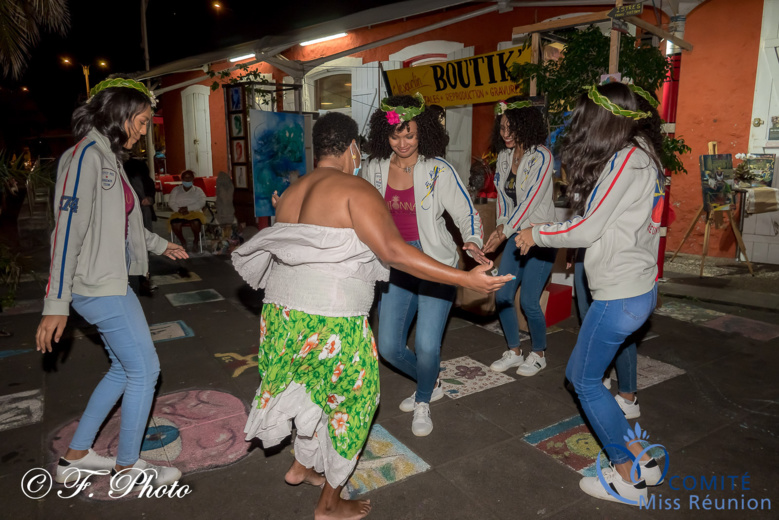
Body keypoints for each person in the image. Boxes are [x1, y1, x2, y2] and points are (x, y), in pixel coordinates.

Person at [232, 112, 510, 520]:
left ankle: (302, 466)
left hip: (281, 317)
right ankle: (329, 503)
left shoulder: (291, 193)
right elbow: (393, 252)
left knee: (311, 390)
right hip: (331, 319)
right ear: (352, 148)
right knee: (355, 403)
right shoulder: (356, 188)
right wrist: (465, 279)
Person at [35, 78, 188, 494]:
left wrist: (160, 245)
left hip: (111, 280)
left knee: (124, 368)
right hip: (98, 285)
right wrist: (55, 302)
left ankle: (77, 456)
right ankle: (127, 467)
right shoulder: (85, 156)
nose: (144, 130)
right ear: (120, 115)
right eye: (142, 121)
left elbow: (120, 224)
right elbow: (67, 232)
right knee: (146, 369)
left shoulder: (108, 158)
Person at [515, 82, 665, 505]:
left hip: (620, 293)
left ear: (602, 118)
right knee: (590, 377)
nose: (579, 124)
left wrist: (536, 233)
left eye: (584, 116)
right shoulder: (644, 153)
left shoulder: (627, 159)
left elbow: (587, 227)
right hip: (636, 288)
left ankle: (626, 477)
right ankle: (643, 460)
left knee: (582, 380)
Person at [362, 94, 487, 437]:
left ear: (424, 133)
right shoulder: (373, 168)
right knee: (389, 347)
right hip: (395, 263)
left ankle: (423, 399)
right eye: (395, 135)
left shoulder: (438, 169)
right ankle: (430, 382)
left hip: (434, 262)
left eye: (410, 135)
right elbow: (359, 209)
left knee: (428, 346)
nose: (402, 143)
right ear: (384, 134)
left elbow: (465, 212)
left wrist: (473, 240)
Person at [482, 98, 556, 377]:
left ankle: (539, 353)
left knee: (529, 302)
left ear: (527, 125)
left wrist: (504, 231)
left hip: (540, 236)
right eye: (502, 127)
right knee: (503, 295)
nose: (506, 133)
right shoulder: (504, 156)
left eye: (511, 128)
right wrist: (502, 225)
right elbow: (504, 199)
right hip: (515, 234)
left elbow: (530, 201)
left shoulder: (542, 157)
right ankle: (514, 351)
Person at [168, 170, 206, 251]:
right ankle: (183, 241)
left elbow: (202, 202)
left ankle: (196, 241)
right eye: (185, 178)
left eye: (190, 178)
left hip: (195, 212)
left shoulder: (198, 190)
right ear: (182, 179)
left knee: (196, 223)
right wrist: (179, 210)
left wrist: (188, 208)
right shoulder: (176, 190)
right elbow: (171, 203)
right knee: (175, 224)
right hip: (179, 213)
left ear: (193, 179)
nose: (188, 180)